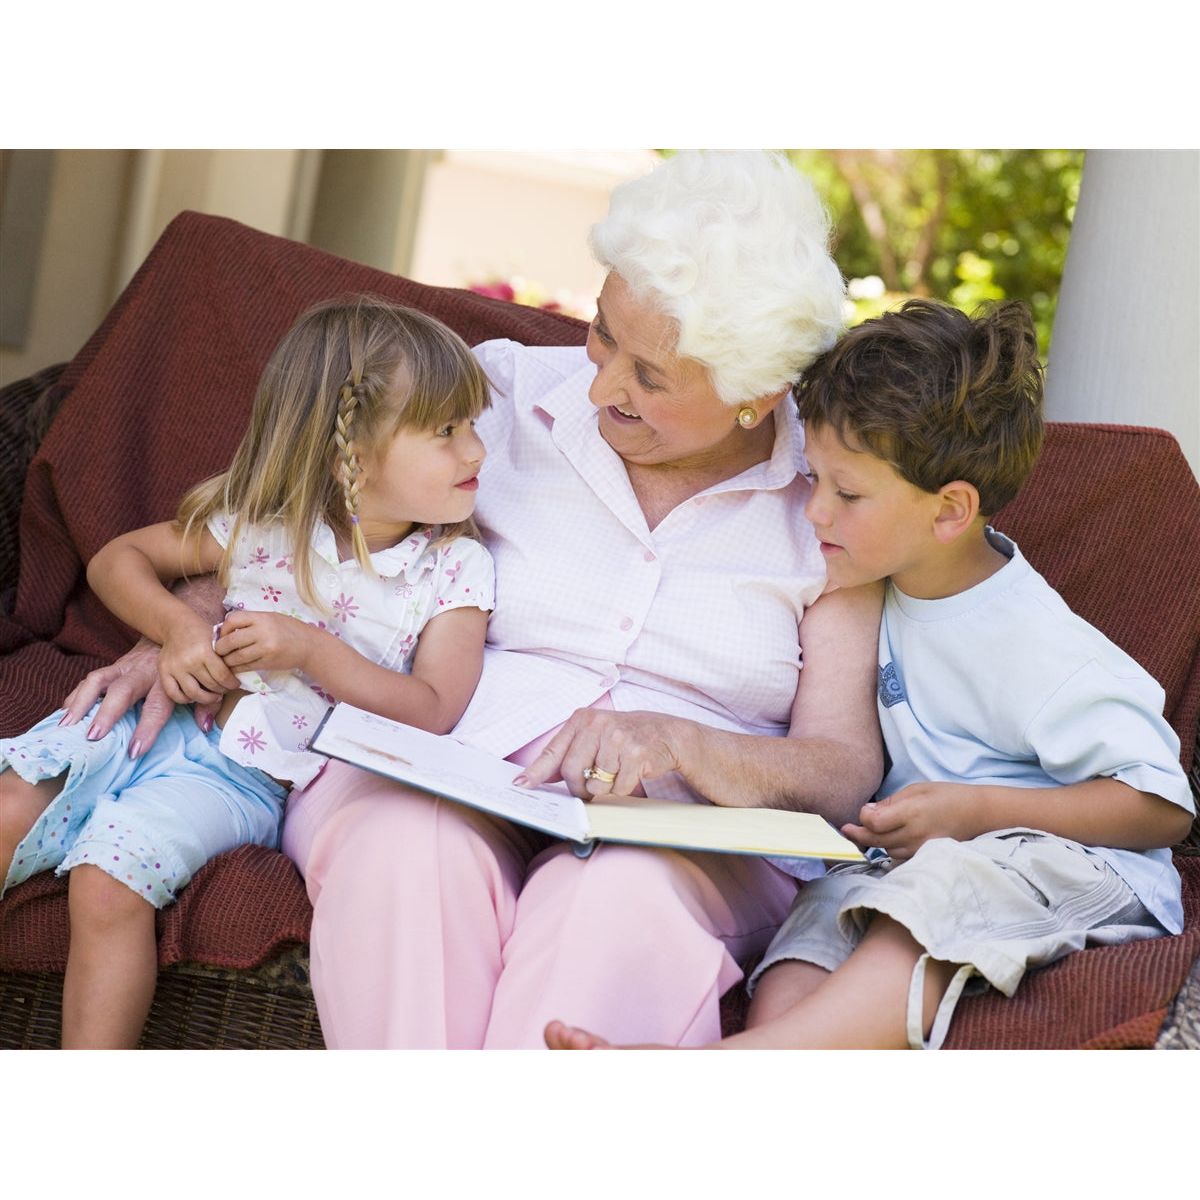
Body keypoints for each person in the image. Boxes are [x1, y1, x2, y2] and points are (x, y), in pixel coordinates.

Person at [49, 150, 885, 1049]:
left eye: (651, 377)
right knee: (404, 851)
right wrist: (191, 626)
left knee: (614, 904)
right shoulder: (501, 393)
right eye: (604, 334)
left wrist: (685, 742)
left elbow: (842, 766)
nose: (602, 385)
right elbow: (326, 522)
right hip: (435, 757)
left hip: (681, 831)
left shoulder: (832, 495)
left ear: (757, 394)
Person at [544, 299, 1195, 1051]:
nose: (813, 511)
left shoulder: (1030, 636)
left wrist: (976, 810)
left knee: (929, 896)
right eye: (814, 477)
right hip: (911, 859)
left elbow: (1158, 807)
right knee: (811, 932)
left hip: (1068, 864)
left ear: (950, 510)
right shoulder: (874, 584)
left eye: (846, 494)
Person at [0, 295, 495, 1047]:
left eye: (472, 426)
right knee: (4, 812)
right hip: (139, 721)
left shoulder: (452, 569)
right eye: (446, 432)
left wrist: (315, 651)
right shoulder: (265, 525)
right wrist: (177, 627)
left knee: (108, 881)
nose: (476, 453)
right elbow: (118, 560)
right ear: (348, 457)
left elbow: (435, 708)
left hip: (241, 776)